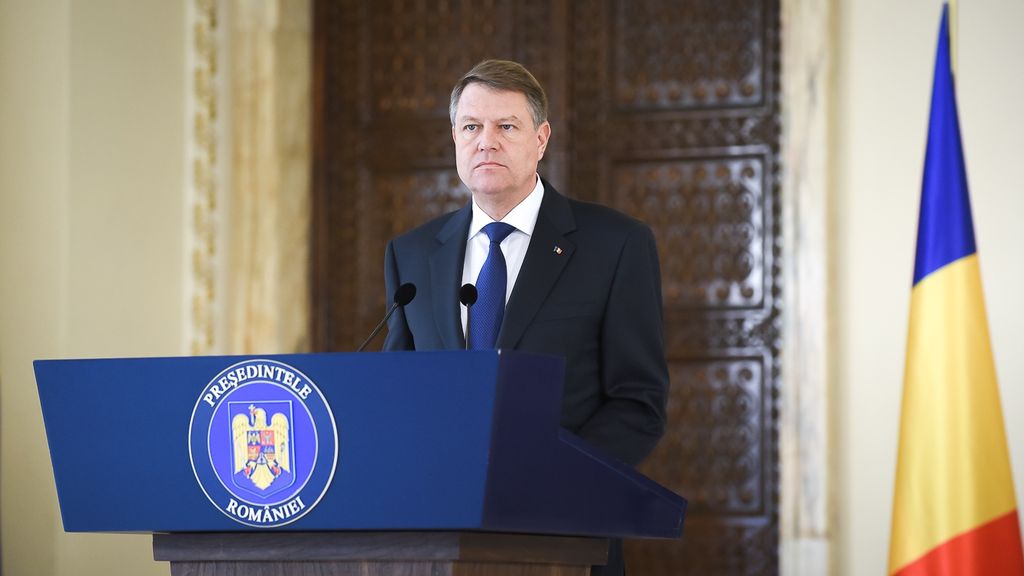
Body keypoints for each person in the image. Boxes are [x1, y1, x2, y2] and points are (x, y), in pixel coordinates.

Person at [382, 59, 670, 576]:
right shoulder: (412, 254)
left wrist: (553, 472)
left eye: (506, 127)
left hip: (565, 529)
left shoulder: (616, 244)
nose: (486, 142)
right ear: (454, 138)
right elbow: (397, 393)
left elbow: (638, 401)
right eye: (472, 127)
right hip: (436, 536)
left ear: (541, 139)